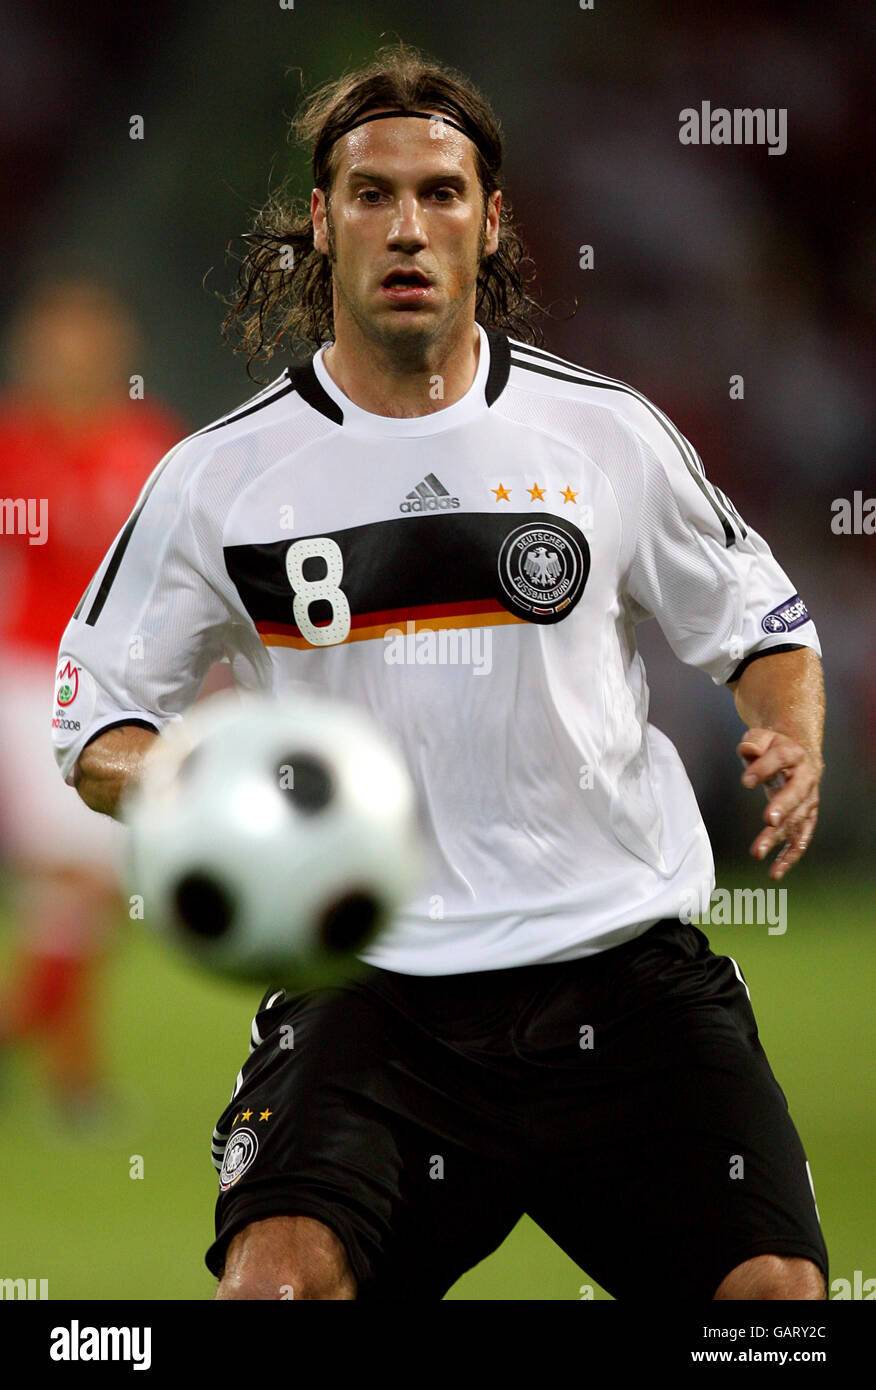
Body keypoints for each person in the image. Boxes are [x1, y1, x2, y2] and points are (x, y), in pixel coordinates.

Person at [51, 44, 827, 1299]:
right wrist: (201, 780)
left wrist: (788, 729)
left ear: (491, 220)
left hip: (618, 968)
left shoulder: (603, 433)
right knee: (277, 1288)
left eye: (441, 192)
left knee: (775, 1303)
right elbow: (93, 730)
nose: (407, 225)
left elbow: (760, 622)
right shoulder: (216, 477)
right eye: (370, 194)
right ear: (320, 222)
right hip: (370, 989)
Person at [0, 278, 181, 1125]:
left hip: (123, 687)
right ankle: (69, 1083)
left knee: (87, 901)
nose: (69, 354)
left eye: (87, 338)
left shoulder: (149, 449)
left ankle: (64, 1076)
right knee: (73, 884)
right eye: (55, 338)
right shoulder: (12, 445)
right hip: (27, 681)